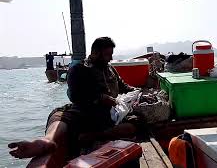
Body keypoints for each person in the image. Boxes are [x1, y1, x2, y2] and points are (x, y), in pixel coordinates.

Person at [8, 37, 139, 160]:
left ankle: (94, 136)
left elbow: (124, 87)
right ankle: (47, 141)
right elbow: (75, 95)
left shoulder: (111, 69)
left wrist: (138, 92)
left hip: (110, 113)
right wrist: (99, 98)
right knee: (59, 116)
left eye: (111, 54)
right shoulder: (79, 69)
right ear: (95, 53)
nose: (110, 58)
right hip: (84, 111)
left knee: (135, 123)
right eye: (107, 55)